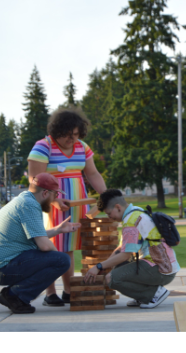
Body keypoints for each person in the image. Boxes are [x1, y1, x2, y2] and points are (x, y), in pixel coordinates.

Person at [26, 108, 107, 307]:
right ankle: (52, 292)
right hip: (48, 204)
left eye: (76, 135)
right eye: (68, 135)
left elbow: (93, 174)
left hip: (78, 204)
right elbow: (34, 181)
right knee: (53, 246)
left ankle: (69, 291)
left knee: (70, 246)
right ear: (57, 131)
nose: (72, 139)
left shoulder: (82, 147)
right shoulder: (43, 146)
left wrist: (107, 196)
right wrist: (53, 201)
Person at [0, 173, 80, 314]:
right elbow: (45, 246)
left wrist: (58, 230)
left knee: (56, 258)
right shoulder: (29, 205)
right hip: (0, 270)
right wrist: (57, 257)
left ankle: (15, 293)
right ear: (45, 193)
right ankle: (15, 295)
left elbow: (35, 235)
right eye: (55, 194)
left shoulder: (24, 201)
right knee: (62, 260)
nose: (56, 198)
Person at [81, 189, 179, 310]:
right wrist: (104, 266)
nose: (109, 217)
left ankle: (154, 294)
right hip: (163, 266)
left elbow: (125, 255)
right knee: (117, 269)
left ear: (117, 207)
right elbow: (121, 249)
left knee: (112, 278)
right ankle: (142, 295)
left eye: (109, 213)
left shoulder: (131, 221)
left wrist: (98, 266)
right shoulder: (135, 212)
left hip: (160, 269)